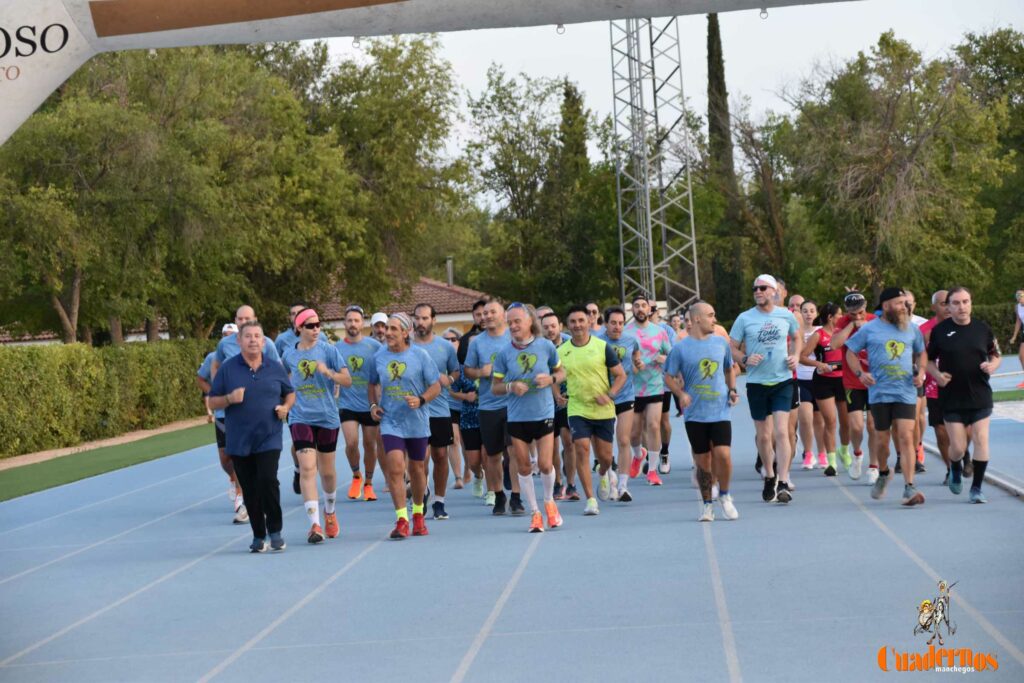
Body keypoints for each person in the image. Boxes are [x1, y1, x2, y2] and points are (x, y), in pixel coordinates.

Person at [208, 321, 295, 553]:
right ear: (239, 341)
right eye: (248, 336)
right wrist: (229, 399)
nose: (254, 340)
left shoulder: (275, 367)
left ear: (264, 341)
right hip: (239, 439)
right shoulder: (228, 368)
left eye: (258, 336)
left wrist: (285, 407)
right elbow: (212, 400)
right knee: (250, 489)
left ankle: (275, 530)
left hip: (269, 435)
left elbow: (290, 393)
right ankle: (258, 535)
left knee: (268, 481)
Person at [844, 287, 926, 506]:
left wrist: (922, 371)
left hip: (905, 391)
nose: (904, 307)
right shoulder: (870, 329)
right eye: (899, 303)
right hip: (879, 393)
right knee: (882, 440)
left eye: (905, 303)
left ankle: (909, 487)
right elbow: (850, 352)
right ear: (887, 305)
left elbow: (921, 352)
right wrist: (861, 374)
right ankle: (882, 472)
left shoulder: (912, 329)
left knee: (906, 436)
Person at [368, 313, 442, 539]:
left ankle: (418, 514)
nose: (388, 333)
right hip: (391, 421)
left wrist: (420, 400)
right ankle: (402, 519)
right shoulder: (378, 357)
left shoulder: (420, 356)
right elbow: (372, 384)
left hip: (417, 421)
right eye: (386, 328)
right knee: (395, 467)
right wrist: (373, 405)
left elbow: (436, 386)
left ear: (405, 332)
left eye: (393, 329)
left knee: (417, 469)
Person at [493, 304, 565, 532]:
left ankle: (549, 502)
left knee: (545, 464)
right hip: (517, 416)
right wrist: (510, 386)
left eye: (517, 321)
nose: (513, 326)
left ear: (529, 322)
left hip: (543, 412)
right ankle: (535, 513)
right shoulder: (504, 353)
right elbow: (494, 387)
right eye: (510, 322)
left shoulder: (545, 346)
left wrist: (551, 380)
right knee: (523, 466)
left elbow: (562, 372)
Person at [664, 301, 739, 521]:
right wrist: (680, 394)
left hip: (720, 410)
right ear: (697, 319)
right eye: (710, 315)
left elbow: (729, 369)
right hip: (695, 414)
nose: (714, 320)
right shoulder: (680, 348)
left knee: (723, 455)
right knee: (703, 462)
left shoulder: (720, 343)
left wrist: (732, 389)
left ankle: (724, 494)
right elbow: (668, 376)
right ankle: (708, 504)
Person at [729, 275, 801, 503]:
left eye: (762, 288)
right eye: (755, 289)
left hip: (782, 380)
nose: (758, 292)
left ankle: (783, 480)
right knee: (763, 435)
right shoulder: (745, 318)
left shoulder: (786, 315)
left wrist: (796, 356)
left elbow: (797, 337)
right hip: (757, 382)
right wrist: (744, 358)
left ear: (774, 291)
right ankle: (769, 474)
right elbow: (731, 346)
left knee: (782, 431)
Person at [281, 309, 352, 543]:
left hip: (327, 417)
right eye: (310, 325)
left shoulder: (329, 350)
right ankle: (314, 524)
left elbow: (347, 380)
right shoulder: (288, 356)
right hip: (300, 417)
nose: (315, 329)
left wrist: (329, 373)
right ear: (299, 328)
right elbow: (282, 383)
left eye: (318, 324)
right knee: (308, 468)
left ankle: (330, 512)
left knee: (328, 472)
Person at [926, 287, 1000, 503]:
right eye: (956, 303)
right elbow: (928, 361)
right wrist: (938, 376)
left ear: (971, 303)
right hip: (952, 396)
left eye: (966, 302)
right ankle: (955, 467)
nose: (962, 307)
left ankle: (976, 488)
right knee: (957, 448)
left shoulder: (982, 329)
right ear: (948, 307)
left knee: (981, 438)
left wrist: (992, 366)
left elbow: (996, 355)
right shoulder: (940, 332)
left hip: (980, 394)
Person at [559, 305, 627, 516]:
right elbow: (554, 375)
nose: (577, 325)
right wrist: (556, 395)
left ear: (589, 322)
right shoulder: (561, 351)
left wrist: (610, 395)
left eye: (581, 320)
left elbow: (621, 375)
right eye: (573, 322)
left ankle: (605, 473)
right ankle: (590, 499)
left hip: (603, 409)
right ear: (567, 326)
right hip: (577, 408)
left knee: (605, 457)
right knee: (581, 448)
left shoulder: (602, 346)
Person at [465, 298, 520, 515]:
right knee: (493, 455)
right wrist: (481, 372)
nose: (487, 317)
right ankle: (498, 495)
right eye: (484, 314)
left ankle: (516, 496)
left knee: (514, 452)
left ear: (503, 314)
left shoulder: (513, 336)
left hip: (513, 403)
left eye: (491, 313)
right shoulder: (477, 342)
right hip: (488, 405)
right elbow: (468, 370)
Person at [412, 304, 460, 520]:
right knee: (420, 459)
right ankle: (421, 495)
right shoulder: (407, 346)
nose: (421, 322)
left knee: (440, 456)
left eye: (425, 318)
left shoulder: (445, 347)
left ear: (433, 320)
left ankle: (439, 501)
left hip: (440, 410)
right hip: (415, 411)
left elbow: (456, 371)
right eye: (417, 318)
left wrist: (449, 380)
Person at [196, 323, 246, 524]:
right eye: (224, 335)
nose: (227, 339)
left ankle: (242, 501)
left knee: (241, 456)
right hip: (222, 412)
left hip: (241, 413)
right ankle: (234, 478)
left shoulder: (246, 358)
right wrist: (213, 392)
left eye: (231, 335)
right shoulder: (213, 358)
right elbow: (200, 378)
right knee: (225, 459)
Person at [336, 305, 382, 502]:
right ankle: (356, 475)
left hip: (370, 404)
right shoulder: (336, 348)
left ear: (362, 324)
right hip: (347, 404)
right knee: (352, 443)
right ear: (344, 323)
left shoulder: (375, 346)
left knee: (370, 444)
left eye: (356, 320)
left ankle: (369, 483)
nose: (353, 324)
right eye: (349, 320)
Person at [830, 291, 876, 482]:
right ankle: (857, 453)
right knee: (856, 427)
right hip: (853, 382)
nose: (858, 316)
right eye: (853, 313)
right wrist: (851, 325)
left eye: (861, 312)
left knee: (874, 426)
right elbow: (834, 345)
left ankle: (873, 466)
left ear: (866, 308)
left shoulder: (875, 320)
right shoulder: (843, 323)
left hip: (875, 382)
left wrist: (867, 327)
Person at [627, 295, 673, 486]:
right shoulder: (626, 332)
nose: (640, 309)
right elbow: (620, 357)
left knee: (654, 425)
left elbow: (670, 354)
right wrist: (633, 363)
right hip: (633, 388)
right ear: (632, 310)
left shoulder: (659, 331)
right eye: (636, 306)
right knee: (634, 432)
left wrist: (663, 358)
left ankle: (652, 471)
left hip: (654, 384)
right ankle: (639, 455)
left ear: (649, 310)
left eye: (643, 305)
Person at [599, 306, 640, 501]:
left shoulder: (631, 340)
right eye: (613, 323)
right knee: (605, 447)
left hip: (625, 395)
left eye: (621, 323)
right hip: (603, 397)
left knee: (623, 439)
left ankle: (623, 486)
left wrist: (638, 364)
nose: (617, 327)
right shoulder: (597, 342)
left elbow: (636, 358)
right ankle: (609, 475)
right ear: (605, 323)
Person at [800, 302, 847, 476]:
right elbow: (802, 357)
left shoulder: (844, 333)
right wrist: (820, 364)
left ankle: (845, 450)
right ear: (830, 317)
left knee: (846, 422)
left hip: (843, 380)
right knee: (830, 421)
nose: (842, 317)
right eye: (839, 314)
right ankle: (831, 462)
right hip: (823, 381)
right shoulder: (818, 335)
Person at [541, 310, 574, 500]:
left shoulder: (570, 344)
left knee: (569, 442)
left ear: (560, 326)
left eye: (553, 326)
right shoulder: (539, 347)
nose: (550, 330)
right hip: (545, 403)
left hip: (568, 399)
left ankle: (571, 484)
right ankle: (557, 482)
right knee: (551, 446)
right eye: (545, 327)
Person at [920, 291, 952, 482]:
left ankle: (962, 455)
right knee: (941, 430)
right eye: (943, 304)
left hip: (960, 385)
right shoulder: (925, 330)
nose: (948, 307)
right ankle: (950, 468)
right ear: (934, 307)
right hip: (934, 386)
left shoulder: (963, 324)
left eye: (951, 303)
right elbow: (920, 356)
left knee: (964, 429)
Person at [793, 298, 825, 471]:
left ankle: (822, 454)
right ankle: (808, 453)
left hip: (819, 380)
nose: (808, 314)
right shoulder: (795, 333)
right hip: (801, 380)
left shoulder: (820, 332)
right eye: (805, 311)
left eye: (812, 311)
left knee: (820, 420)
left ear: (817, 314)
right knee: (805, 417)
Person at [442, 328, 467, 489]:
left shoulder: (467, 359)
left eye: (453, 339)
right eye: (446, 340)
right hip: (448, 405)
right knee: (454, 440)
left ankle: (471, 471)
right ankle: (458, 477)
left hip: (468, 406)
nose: (450, 342)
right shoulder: (439, 360)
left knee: (467, 443)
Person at [1011, 290, 1024, 389]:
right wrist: (1014, 336)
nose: (1019, 298)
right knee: (1021, 356)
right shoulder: (1017, 307)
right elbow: (1018, 321)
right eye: (1017, 296)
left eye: (1021, 296)